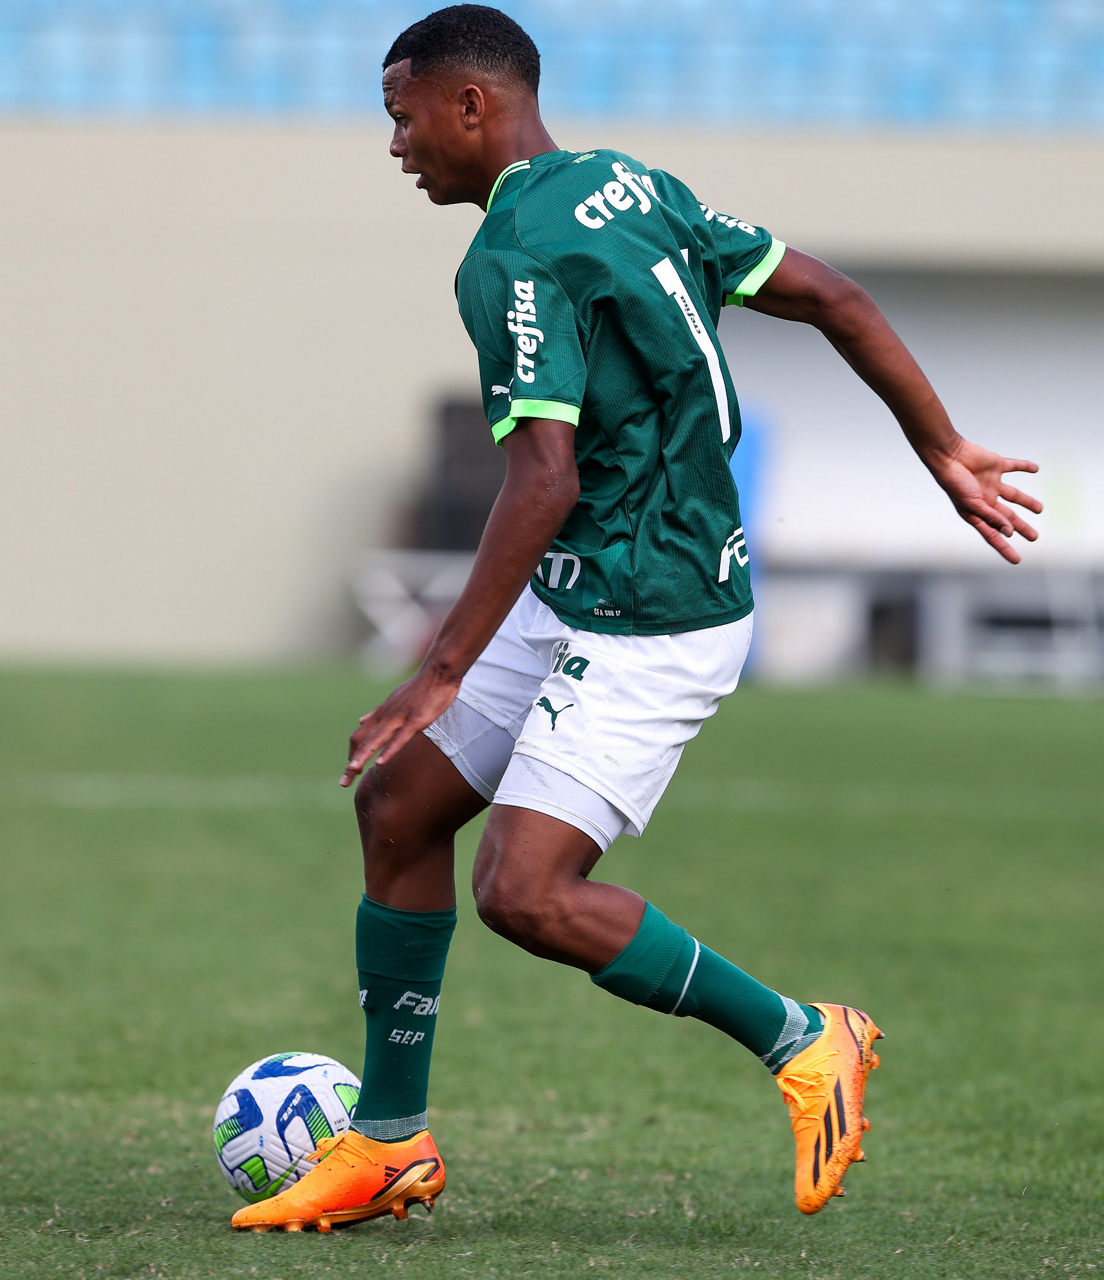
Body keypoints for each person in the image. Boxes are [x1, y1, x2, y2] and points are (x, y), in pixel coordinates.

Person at [231, 4, 1041, 1233]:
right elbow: (832, 293)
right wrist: (940, 445)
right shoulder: (631, 185)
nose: (395, 145)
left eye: (401, 116)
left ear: (470, 105)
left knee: (525, 891)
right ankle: (389, 1143)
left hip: (651, 612)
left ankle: (804, 1033)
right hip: (585, 582)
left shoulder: (509, 256)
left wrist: (439, 668)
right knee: (399, 806)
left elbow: (542, 478)